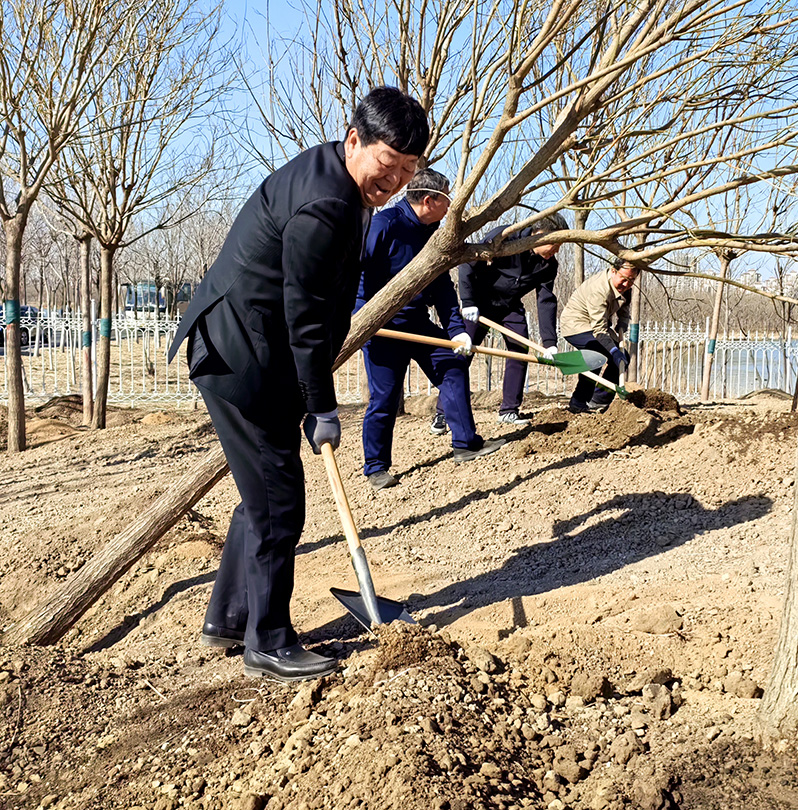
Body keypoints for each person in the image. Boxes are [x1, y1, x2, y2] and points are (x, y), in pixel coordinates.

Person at [166, 87, 429, 683]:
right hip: (243, 356)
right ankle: (269, 641)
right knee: (279, 501)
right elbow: (304, 318)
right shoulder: (325, 205)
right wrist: (322, 407)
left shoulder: (338, 177)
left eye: (408, 171)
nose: (394, 182)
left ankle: (231, 618)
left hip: (255, 347)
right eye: (388, 165)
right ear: (355, 140)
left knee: (262, 493)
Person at [356, 169, 504, 490]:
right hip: (382, 329)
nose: (451, 208)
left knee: (452, 366)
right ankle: (376, 467)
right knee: (385, 397)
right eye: (447, 200)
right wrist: (363, 321)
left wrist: (457, 330)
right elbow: (357, 277)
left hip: (417, 324)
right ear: (429, 200)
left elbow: (441, 286)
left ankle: (466, 443)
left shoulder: (433, 234)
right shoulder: (385, 225)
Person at [432, 213, 568, 429]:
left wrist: (550, 342)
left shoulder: (548, 266)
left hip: (509, 306)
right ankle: (443, 412)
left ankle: (509, 411)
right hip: (478, 304)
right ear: (540, 234)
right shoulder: (505, 237)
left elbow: (545, 300)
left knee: (519, 351)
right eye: (555, 244)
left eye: (560, 246)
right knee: (462, 352)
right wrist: (468, 301)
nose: (556, 251)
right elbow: (468, 263)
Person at [560, 258, 640, 413]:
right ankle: (579, 401)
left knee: (623, 358)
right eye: (624, 279)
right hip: (576, 324)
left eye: (631, 280)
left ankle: (599, 400)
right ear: (613, 271)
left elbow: (624, 308)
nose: (627, 284)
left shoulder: (626, 286)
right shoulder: (599, 289)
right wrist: (613, 351)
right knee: (597, 356)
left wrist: (623, 323)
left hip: (595, 326)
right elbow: (599, 329)